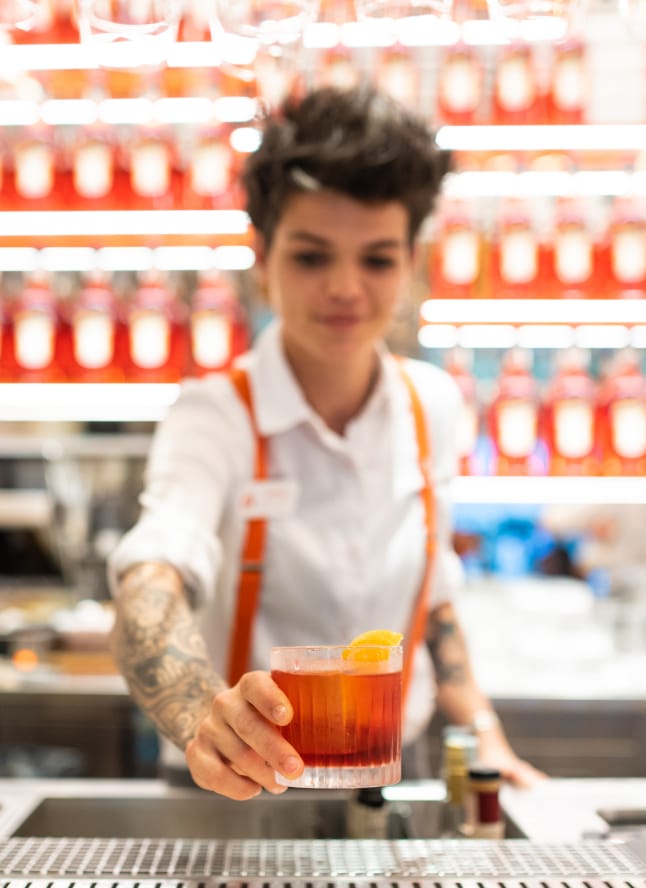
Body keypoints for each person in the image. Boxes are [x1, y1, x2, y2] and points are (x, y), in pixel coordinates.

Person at [108, 85, 546, 800]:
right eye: (312, 257)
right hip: (235, 788)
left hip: (389, 780)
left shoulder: (430, 404)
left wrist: (489, 737)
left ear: (411, 263)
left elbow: (432, 599)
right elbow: (151, 583)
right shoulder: (215, 415)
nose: (345, 287)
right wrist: (202, 721)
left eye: (376, 260)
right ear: (263, 258)